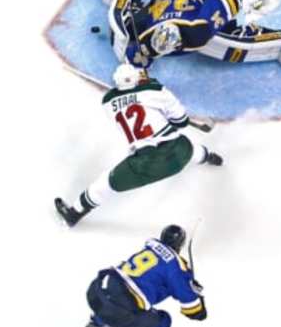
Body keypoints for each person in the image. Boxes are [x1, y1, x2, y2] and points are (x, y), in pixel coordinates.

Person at [55, 64, 222, 227]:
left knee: (106, 183)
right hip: (180, 151)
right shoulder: (155, 91)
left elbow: (122, 98)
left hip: (145, 163)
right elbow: (181, 122)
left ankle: (74, 214)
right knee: (185, 146)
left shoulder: (107, 102)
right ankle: (209, 157)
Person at [84, 224, 206, 327]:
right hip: (120, 312)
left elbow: (156, 277)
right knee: (163, 321)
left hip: (97, 291)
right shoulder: (176, 268)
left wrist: (185, 280)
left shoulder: (150, 248)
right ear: (180, 244)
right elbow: (193, 310)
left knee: (117, 291)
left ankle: (96, 323)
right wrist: (198, 300)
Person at [104, 0, 281, 70]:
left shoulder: (198, 32)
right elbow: (121, 28)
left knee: (230, 30)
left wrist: (239, 2)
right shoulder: (147, 40)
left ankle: (271, 32)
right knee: (134, 22)